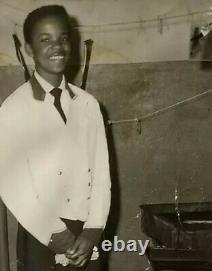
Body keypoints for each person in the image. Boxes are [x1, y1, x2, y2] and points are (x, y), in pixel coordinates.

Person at [0, 5, 111, 271]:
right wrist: (59, 238)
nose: (57, 46)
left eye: (63, 38)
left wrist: (92, 232)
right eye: (45, 39)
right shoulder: (14, 108)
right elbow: (13, 186)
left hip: (87, 232)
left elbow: (101, 175)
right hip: (43, 234)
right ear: (29, 48)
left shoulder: (88, 104)